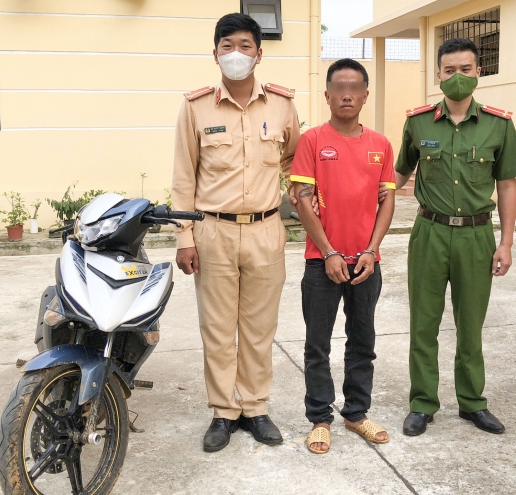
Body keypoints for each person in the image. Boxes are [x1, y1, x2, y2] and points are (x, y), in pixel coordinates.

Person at [170, 13, 300, 453]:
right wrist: (184, 237)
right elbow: (183, 176)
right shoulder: (196, 107)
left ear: (259, 54)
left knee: (260, 329)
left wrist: (300, 195)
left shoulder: (282, 104)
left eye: (245, 46)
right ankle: (224, 411)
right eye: (227, 46)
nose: (236, 54)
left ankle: (256, 408)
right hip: (213, 232)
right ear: (215, 54)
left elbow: (293, 160)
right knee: (218, 329)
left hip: (265, 230)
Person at [394, 38, 516, 436]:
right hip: (429, 233)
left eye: (465, 69)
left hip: (476, 236)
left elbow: (507, 185)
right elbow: (397, 175)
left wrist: (506, 242)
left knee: (471, 325)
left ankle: (472, 402)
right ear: (438, 74)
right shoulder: (418, 122)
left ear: (478, 72)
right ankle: (422, 403)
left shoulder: (499, 124)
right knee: (423, 324)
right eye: (449, 70)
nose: (457, 77)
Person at [291, 58, 396, 454]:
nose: (347, 94)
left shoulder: (381, 145)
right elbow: (303, 201)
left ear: (366, 95)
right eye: (339, 87)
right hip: (323, 262)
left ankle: (356, 413)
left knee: (362, 341)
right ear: (327, 94)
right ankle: (320, 418)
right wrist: (329, 251)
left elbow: (387, 202)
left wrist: (371, 250)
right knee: (317, 345)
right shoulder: (313, 141)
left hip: (367, 262)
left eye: (354, 88)